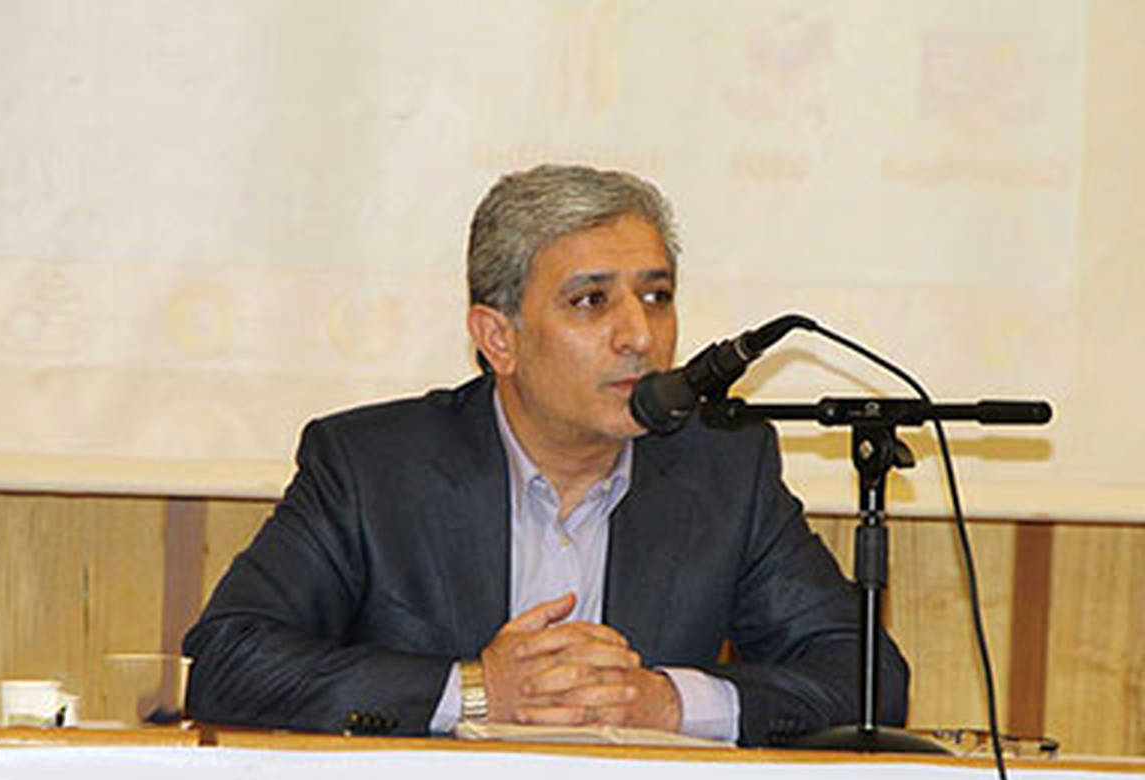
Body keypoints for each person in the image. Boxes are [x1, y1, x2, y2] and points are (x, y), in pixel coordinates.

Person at [182, 164, 909, 745]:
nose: (639, 336)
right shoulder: (373, 467)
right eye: (591, 301)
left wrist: (670, 702)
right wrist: (477, 691)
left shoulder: (723, 469)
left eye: (656, 297)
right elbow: (228, 660)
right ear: (498, 338)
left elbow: (870, 679)